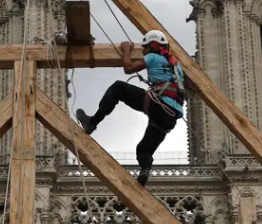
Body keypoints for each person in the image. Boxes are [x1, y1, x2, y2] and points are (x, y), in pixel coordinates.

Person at [75, 30, 186, 186]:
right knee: (144, 149)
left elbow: (128, 68)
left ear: (152, 46)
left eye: (145, 48)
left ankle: (92, 122)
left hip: (158, 105)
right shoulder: (177, 67)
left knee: (118, 88)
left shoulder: (153, 57)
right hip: (170, 117)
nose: (143, 51)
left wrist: (126, 49)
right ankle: (145, 170)